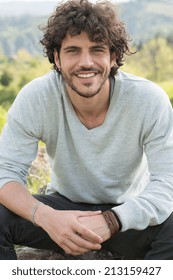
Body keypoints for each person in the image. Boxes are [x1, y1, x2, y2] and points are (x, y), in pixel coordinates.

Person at [0, 0, 173, 260]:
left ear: (113, 57)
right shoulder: (37, 97)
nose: (86, 62)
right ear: (56, 58)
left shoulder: (148, 99)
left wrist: (113, 220)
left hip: (128, 213)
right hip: (62, 210)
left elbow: (167, 181)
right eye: (72, 51)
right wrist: (47, 217)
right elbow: (5, 172)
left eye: (97, 49)